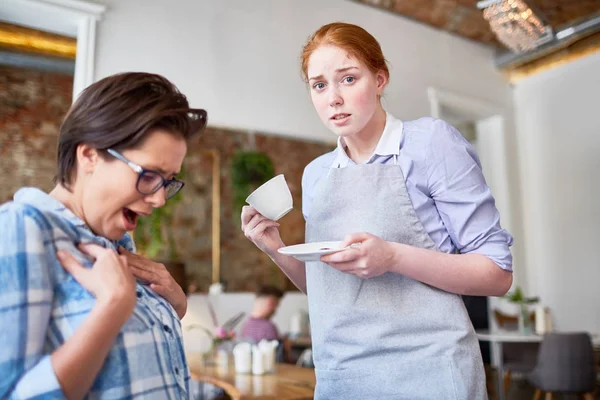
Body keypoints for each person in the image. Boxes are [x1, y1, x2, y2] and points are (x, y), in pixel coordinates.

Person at [241, 22, 514, 399]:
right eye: (319, 85)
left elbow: (496, 274)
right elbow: (327, 290)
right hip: (342, 378)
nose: (333, 98)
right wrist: (275, 247)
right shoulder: (316, 174)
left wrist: (393, 256)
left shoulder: (430, 143)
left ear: (380, 79)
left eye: (348, 79)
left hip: (429, 374)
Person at [0, 72, 206, 399]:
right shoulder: (21, 228)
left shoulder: (116, 243)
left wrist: (175, 307)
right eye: (149, 175)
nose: (159, 198)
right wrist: (112, 307)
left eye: (167, 181)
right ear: (90, 156)